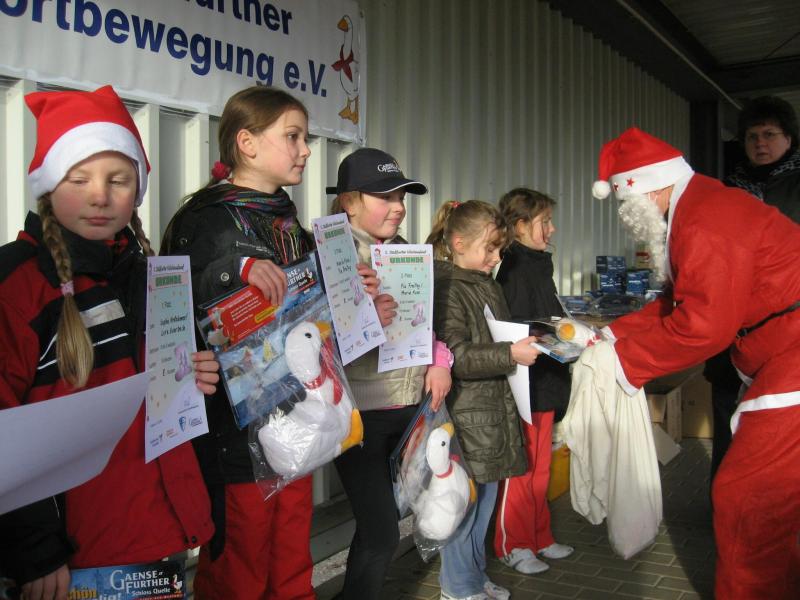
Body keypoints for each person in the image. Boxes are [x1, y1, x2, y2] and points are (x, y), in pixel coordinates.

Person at [0, 86, 218, 600]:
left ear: (137, 189)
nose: (99, 196)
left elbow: (154, 392)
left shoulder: (150, 275)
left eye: (118, 180)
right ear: (48, 185)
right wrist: (35, 552)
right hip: (72, 560)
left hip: (158, 533)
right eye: (79, 179)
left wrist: (194, 373)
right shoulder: (18, 283)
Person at [591, 127, 800, 599]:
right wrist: (610, 335)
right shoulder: (698, 208)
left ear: (648, 188)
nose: (625, 217)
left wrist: (622, 361)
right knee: (766, 502)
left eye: (625, 203)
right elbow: (677, 303)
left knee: (749, 499)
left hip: (792, 354)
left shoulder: (704, 220)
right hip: (781, 352)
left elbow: (704, 325)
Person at [326, 147, 453, 600]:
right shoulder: (329, 257)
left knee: (379, 524)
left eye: (401, 196)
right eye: (385, 196)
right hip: (358, 417)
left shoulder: (405, 253)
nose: (398, 206)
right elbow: (307, 340)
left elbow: (428, 323)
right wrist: (361, 315)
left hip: (409, 409)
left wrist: (439, 361)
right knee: (382, 532)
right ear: (349, 202)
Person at [427, 200, 539, 600]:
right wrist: (510, 354)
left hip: (490, 415)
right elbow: (455, 355)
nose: (495, 258)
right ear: (459, 243)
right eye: (489, 248)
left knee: (484, 504)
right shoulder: (449, 288)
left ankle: (474, 578)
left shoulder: (483, 284)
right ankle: (457, 588)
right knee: (464, 505)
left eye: (499, 250)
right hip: (468, 416)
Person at [705, 95, 800, 478]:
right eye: (751, 136)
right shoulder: (727, 191)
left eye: (769, 134)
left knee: (782, 429)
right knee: (728, 419)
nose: (760, 143)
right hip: (733, 328)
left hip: (788, 329)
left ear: (789, 138)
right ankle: (722, 500)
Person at [492, 188, 574, 575]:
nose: (552, 229)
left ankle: (540, 535)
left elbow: (548, 319)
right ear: (521, 226)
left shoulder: (540, 264)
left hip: (547, 383)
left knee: (542, 467)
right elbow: (513, 328)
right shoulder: (511, 268)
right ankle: (513, 543)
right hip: (524, 385)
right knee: (521, 469)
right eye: (545, 222)